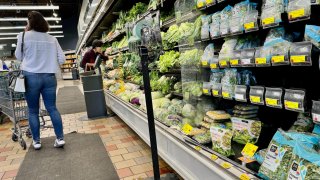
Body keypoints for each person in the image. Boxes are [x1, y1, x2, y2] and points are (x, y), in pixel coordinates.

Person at [15, 11, 65, 150]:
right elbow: (62, 59)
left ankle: (36, 142)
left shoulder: (23, 36)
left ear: (30, 23)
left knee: (32, 111)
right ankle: (60, 138)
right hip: (49, 77)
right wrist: (49, 62)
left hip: (30, 77)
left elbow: (19, 56)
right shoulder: (52, 39)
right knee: (52, 108)